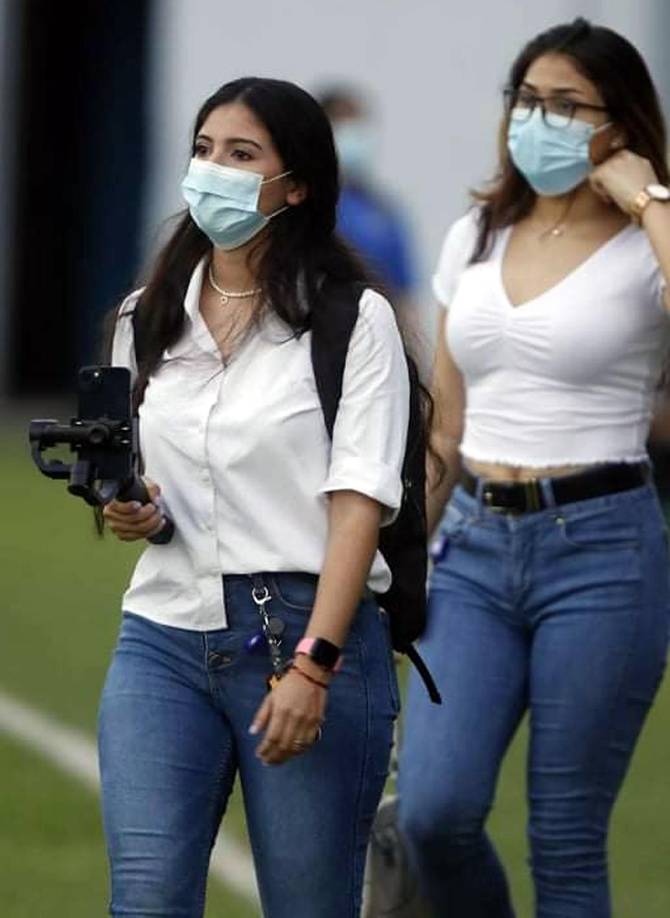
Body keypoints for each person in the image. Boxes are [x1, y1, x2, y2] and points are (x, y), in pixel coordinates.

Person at [99, 76, 409, 918]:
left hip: (301, 634)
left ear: (296, 185)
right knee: (146, 900)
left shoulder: (354, 320)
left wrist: (315, 663)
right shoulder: (146, 316)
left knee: (308, 905)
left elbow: (359, 505)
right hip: (162, 636)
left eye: (241, 155)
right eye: (203, 150)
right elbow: (152, 475)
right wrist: (136, 509)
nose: (213, 171)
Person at [398, 18, 670, 918]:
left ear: (618, 123)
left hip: (602, 551)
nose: (537, 119)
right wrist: (398, 554)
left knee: (565, 836)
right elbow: (445, 427)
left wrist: (649, 201)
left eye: (566, 104)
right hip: (473, 547)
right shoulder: (477, 231)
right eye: (526, 99)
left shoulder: (649, 239)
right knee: (434, 814)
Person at [319, 86, 416, 310]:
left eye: (359, 126)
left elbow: (405, 295)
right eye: (345, 126)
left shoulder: (382, 209)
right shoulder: (306, 207)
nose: (356, 138)